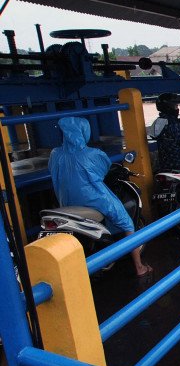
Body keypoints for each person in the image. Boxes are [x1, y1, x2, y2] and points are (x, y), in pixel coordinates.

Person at [49, 117, 151, 276]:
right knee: (127, 222)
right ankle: (139, 267)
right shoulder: (92, 154)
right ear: (84, 132)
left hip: (66, 202)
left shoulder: (55, 154)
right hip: (93, 199)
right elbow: (104, 169)